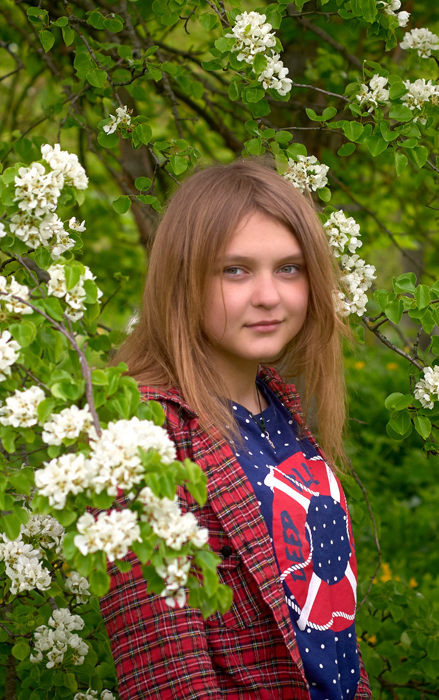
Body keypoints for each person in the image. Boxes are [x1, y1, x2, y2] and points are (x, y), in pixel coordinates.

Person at [101, 157, 372, 700]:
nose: (268, 296)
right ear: (184, 279)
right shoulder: (143, 435)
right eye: (236, 270)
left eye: (289, 269)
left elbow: (330, 632)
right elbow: (168, 676)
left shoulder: (278, 407)